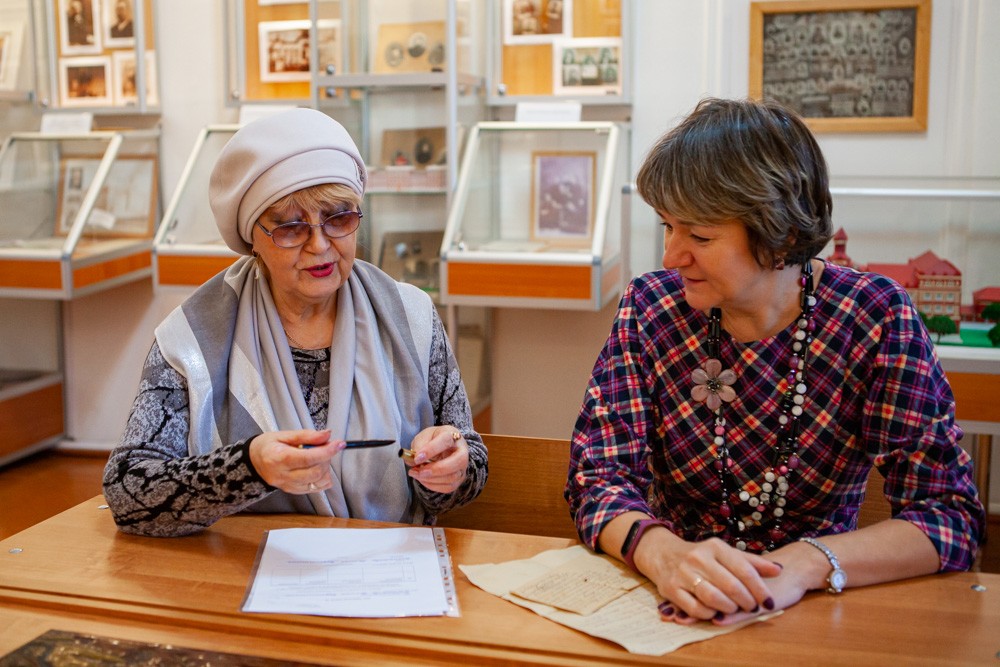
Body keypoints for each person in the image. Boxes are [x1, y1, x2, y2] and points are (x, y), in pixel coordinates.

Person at [565, 97, 984, 626]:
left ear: (781, 233)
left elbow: (949, 517)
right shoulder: (652, 308)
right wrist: (664, 554)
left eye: (699, 235)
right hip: (671, 605)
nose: (671, 256)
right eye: (667, 227)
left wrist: (807, 564)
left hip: (820, 611)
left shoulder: (873, 317)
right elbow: (595, 477)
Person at [104, 108, 487, 537]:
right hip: (239, 572)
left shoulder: (411, 318)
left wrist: (450, 472)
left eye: (339, 218)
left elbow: (468, 467)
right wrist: (248, 468)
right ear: (252, 236)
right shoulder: (194, 337)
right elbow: (126, 493)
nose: (320, 245)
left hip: (388, 569)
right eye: (290, 227)